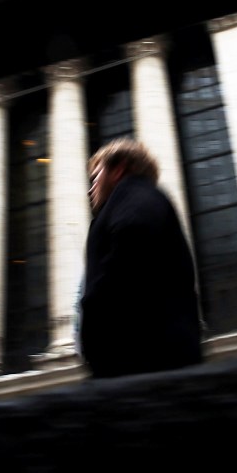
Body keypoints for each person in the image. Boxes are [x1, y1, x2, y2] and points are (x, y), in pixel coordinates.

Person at [78, 137, 203, 378]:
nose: (90, 188)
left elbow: (125, 263)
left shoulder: (134, 198)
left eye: (95, 178)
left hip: (140, 362)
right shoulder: (145, 200)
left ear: (119, 169)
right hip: (150, 359)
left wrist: (96, 328)